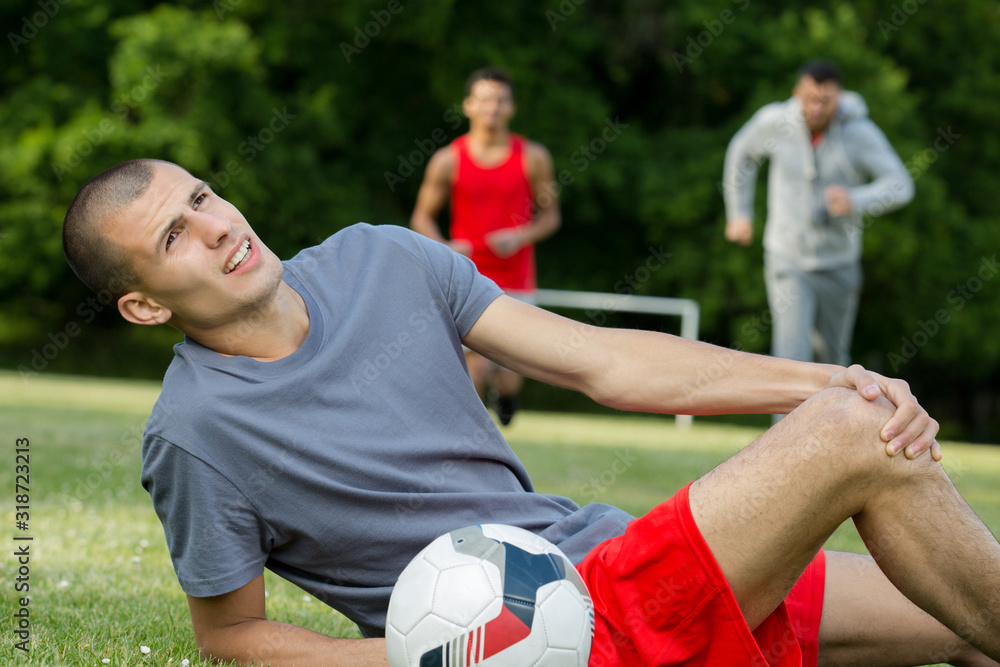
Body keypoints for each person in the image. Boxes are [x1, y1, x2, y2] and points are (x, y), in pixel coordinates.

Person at [61, 158, 1000, 667]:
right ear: (144, 304)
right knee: (857, 434)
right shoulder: (195, 433)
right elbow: (228, 636)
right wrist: (421, 657)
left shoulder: (379, 258)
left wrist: (826, 378)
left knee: (962, 609)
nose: (220, 224)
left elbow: (606, 362)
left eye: (202, 194)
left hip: (617, 557)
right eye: (176, 235)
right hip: (553, 640)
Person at [722, 60, 914, 370]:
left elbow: (901, 185)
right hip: (788, 256)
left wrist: (857, 199)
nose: (816, 108)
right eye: (810, 99)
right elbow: (741, 154)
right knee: (790, 356)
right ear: (797, 92)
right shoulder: (775, 122)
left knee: (833, 361)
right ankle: (786, 420)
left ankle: (833, 419)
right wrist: (739, 213)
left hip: (839, 262)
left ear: (839, 97)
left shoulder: (860, 133)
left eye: (825, 101)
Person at [410, 66, 560, 425]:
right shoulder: (448, 159)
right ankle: (476, 435)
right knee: (475, 369)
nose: (492, 107)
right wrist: (445, 245)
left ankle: (508, 397)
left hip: (517, 279)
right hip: (468, 276)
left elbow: (551, 216)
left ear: (511, 107)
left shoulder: (533, 157)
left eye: (500, 100)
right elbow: (421, 219)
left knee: (509, 373)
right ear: (468, 106)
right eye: (484, 100)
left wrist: (520, 236)